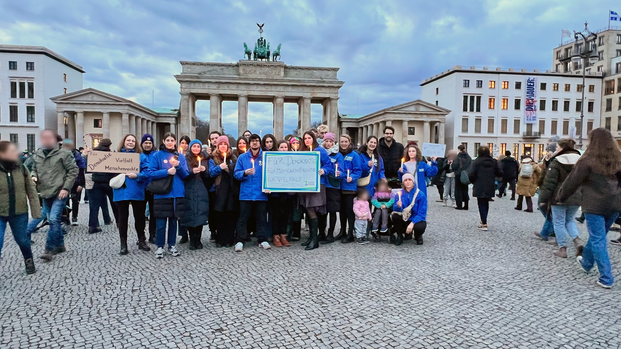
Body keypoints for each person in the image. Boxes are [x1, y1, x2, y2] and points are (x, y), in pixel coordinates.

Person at [558, 128, 621, 289]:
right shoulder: (618, 158)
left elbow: (572, 181)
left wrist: (561, 197)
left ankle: (606, 277)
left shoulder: (587, 160)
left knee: (598, 238)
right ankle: (586, 262)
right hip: (615, 205)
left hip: (595, 205)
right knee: (598, 237)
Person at [25, 129, 78, 261]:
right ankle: (60, 245)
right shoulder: (37, 154)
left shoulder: (64, 154)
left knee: (53, 218)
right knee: (46, 214)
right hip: (45, 191)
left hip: (60, 191)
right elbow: (33, 169)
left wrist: (66, 188)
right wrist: (33, 176)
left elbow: (73, 171)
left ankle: (49, 249)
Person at [0, 140, 41, 274]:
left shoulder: (21, 167)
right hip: (0, 212)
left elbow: (31, 189)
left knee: (22, 240)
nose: (17, 153)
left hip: (19, 211)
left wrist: (36, 211)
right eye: (12, 151)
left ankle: (28, 260)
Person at [148, 132, 190, 259]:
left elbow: (186, 175)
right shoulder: (157, 156)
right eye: (168, 140)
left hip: (177, 193)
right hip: (162, 193)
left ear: (175, 142)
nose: (170, 142)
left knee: (173, 221)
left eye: (172, 140)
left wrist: (178, 168)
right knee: (161, 223)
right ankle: (160, 246)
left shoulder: (180, 157)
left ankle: (172, 244)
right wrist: (166, 172)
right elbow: (151, 173)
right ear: (164, 141)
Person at [539, 139, 583, 258]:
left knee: (558, 221)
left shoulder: (557, 161)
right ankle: (577, 240)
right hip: (576, 195)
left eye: (557, 147)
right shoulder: (581, 160)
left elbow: (549, 182)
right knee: (569, 220)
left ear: (563, 148)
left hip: (559, 196)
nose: (556, 150)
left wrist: (543, 199)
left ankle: (562, 248)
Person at [113, 134, 150, 255]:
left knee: (139, 217)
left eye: (133, 141)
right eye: (128, 140)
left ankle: (141, 240)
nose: (130, 142)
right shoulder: (115, 156)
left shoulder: (141, 157)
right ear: (123, 142)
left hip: (136, 189)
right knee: (122, 218)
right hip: (121, 190)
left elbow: (147, 172)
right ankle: (123, 244)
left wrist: (137, 175)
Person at [234, 134, 271, 252]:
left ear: (260, 143)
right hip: (246, 193)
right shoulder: (242, 157)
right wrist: (244, 173)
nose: (255, 143)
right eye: (252, 141)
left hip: (261, 193)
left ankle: (262, 239)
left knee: (261, 218)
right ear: (249, 143)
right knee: (243, 218)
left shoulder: (266, 157)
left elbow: (271, 173)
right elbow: (236, 173)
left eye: (257, 141)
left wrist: (270, 185)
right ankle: (240, 240)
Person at [299, 131, 332, 251]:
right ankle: (313, 236)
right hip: (305, 185)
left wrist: (324, 170)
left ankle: (315, 239)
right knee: (308, 210)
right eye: (305, 138)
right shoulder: (302, 152)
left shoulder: (320, 150)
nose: (307, 140)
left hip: (317, 184)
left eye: (309, 138)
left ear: (313, 139)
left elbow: (328, 165)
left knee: (313, 210)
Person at [209, 136, 239, 248]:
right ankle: (220, 238)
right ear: (217, 146)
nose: (223, 146)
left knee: (230, 214)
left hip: (230, 190)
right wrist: (219, 168)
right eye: (220, 144)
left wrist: (229, 169)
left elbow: (237, 171)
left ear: (228, 146)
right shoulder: (213, 159)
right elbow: (211, 173)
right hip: (218, 189)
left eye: (225, 144)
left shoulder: (233, 158)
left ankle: (229, 238)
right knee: (219, 215)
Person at [86, 139, 119, 234]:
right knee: (115, 203)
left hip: (96, 181)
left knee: (94, 206)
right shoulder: (111, 154)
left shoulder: (94, 153)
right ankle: (119, 222)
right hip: (108, 181)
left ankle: (93, 226)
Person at [182, 139, 210, 250]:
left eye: (198, 146)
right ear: (190, 147)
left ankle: (198, 238)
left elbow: (209, 175)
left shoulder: (205, 159)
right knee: (189, 213)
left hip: (201, 189)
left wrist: (204, 171)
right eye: (194, 146)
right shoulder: (185, 159)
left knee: (200, 214)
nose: (196, 148)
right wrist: (192, 171)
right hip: (189, 188)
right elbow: (183, 173)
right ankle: (192, 239)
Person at [468, 146, 502, 231]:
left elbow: (471, 174)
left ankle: (484, 222)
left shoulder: (477, 162)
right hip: (490, 184)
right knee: (486, 202)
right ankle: (484, 220)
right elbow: (500, 172)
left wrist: (473, 181)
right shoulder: (493, 161)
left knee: (481, 203)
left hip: (479, 184)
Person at [318, 132, 344, 244]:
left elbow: (342, 171)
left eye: (330, 141)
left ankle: (330, 233)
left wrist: (338, 173)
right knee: (322, 211)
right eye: (326, 141)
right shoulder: (320, 152)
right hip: (323, 184)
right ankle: (321, 232)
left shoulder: (338, 155)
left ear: (334, 143)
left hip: (333, 186)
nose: (328, 143)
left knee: (332, 211)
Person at [338, 134, 362, 244]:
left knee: (349, 211)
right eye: (341, 142)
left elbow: (358, 170)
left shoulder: (354, 155)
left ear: (349, 142)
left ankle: (350, 233)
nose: (343, 144)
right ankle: (342, 231)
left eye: (345, 141)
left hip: (349, 187)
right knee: (342, 211)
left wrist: (352, 177)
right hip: (339, 186)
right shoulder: (338, 155)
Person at [391, 173, 427, 246]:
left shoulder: (420, 194)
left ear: (413, 181)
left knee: (420, 226)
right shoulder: (399, 194)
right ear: (403, 182)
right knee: (395, 216)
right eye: (405, 180)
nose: (407, 182)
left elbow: (422, 213)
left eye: (409, 180)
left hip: (415, 218)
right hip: (404, 217)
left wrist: (412, 223)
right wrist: (398, 206)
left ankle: (418, 235)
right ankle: (400, 235)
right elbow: (395, 209)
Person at [268, 140, 292, 247]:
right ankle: (275, 236)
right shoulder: (272, 159)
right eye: (281, 147)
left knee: (285, 214)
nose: (283, 149)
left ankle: (283, 235)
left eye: (285, 147)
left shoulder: (292, 160)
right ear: (278, 148)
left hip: (287, 193)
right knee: (276, 214)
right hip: (276, 192)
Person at [62, 139, 86, 226]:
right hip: (63, 182)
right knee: (64, 201)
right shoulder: (60, 155)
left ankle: (74, 217)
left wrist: (81, 184)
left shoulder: (77, 155)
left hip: (75, 182)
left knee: (75, 200)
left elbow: (81, 170)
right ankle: (66, 217)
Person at [141, 134, 157, 243]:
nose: (147, 145)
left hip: (153, 188)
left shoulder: (156, 155)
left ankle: (153, 234)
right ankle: (141, 235)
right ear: (142, 144)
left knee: (154, 213)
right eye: (145, 143)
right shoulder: (138, 155)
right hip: (141, 187)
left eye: (149, 143)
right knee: (140, 214)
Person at [452, 144, 472, 210]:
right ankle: (466, 205)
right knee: (465, 189)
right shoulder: (468, 157)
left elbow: (454, 166)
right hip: (466, 174)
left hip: (458, 174)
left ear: (459, 149)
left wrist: (452, 165)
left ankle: (459, 205)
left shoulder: (458, 157)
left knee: (458, 190)